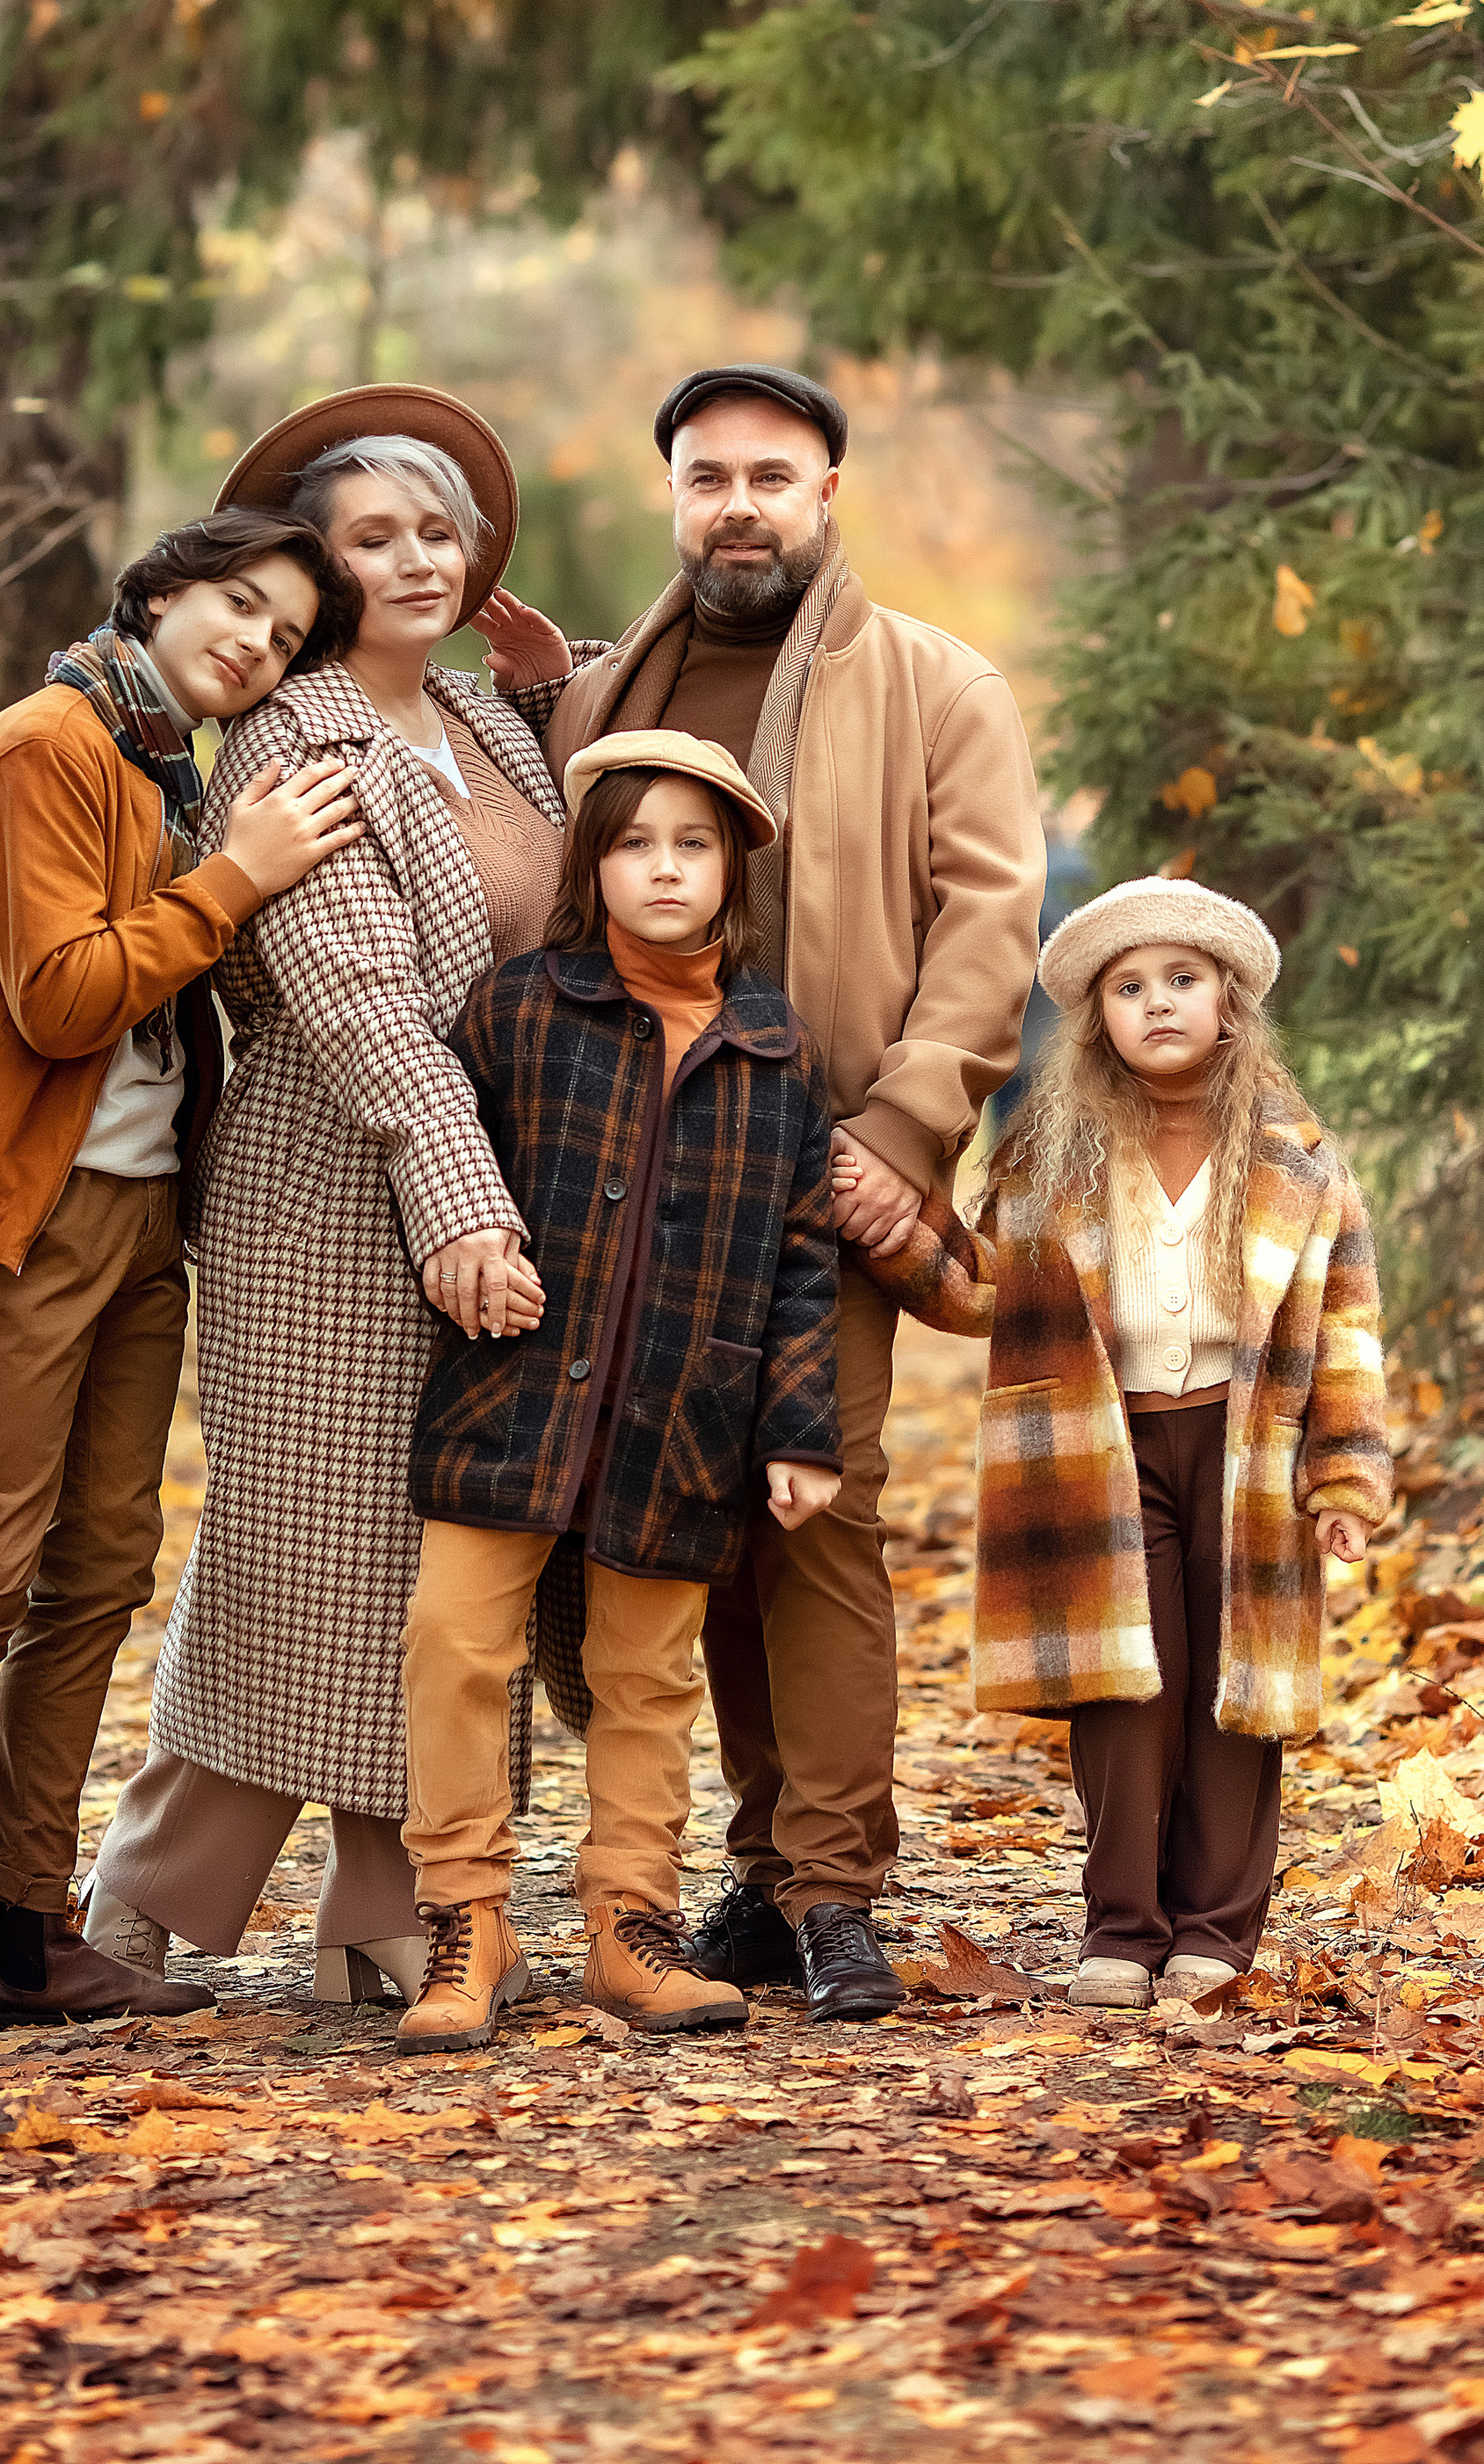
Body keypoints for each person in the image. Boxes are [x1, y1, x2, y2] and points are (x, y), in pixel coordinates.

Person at [493, 365, 1044, 2022]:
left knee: (821, 1520)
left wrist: (904, 1129)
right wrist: (539, 705)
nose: (740, 503)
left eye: (773, 475)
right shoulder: (609, 699)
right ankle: (752, 1870)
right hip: (631, 1185)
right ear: (675, 498)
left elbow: (988, 927)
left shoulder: (940, 685)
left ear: (827, 493)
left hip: (828, 1172)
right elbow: (587, 873)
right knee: (691, 1535)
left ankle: (837, 1890)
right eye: (709, 476)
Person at [85, 387, 570, 2005]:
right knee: (304, 1555)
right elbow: (359, 997)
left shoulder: (488, 723)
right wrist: (454, 1202)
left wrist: (555, 690)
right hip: (331, 1194)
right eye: (376, 539)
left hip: (487, 1185)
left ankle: (391, 1906)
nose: (419, 560)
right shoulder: (289, 747)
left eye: (439, 531)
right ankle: (146, 1895)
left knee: (448, 1564)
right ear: (321, 567)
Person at [0, 509, 362, 2057]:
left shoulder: (160, 770)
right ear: (157, 592)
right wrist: (241, 881)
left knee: (98, 1572)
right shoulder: (46, 745)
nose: (254, 645)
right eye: (236, 605)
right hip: (24, 1207)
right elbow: (65, 997)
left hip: (143, 1218)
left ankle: (26, 1927)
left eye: (282, 637)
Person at [861, 877, 1392, 2008]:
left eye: (1182, 982)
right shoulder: (1055, 1151)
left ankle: (1213, 1928)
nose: (1157, 1004)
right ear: (1097, 1016)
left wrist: (1343, 1475)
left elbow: (1344, 1328)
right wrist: (887, 1224)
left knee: (1231, 1677)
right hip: (1094, 1447)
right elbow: (975, 1288)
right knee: (1123, 1682)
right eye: (1128, 987)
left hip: (1246, 1443)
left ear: (1230, 1004)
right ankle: (1122, 1926)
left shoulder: (1297, 1157)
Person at [394, 727, 842, 2052]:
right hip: (512, 1398)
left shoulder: (778, 1050)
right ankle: (465, 1924)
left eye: (691, 847)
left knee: (647, 1678)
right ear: (591, 865)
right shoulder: (521, 1008)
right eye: (635, 844)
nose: (663, 869)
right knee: (455, 1646)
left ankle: (629, 1926)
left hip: (681, 1417)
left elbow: (805, 1259)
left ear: (731, 872)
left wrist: (798, 1428)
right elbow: (440, 1172)